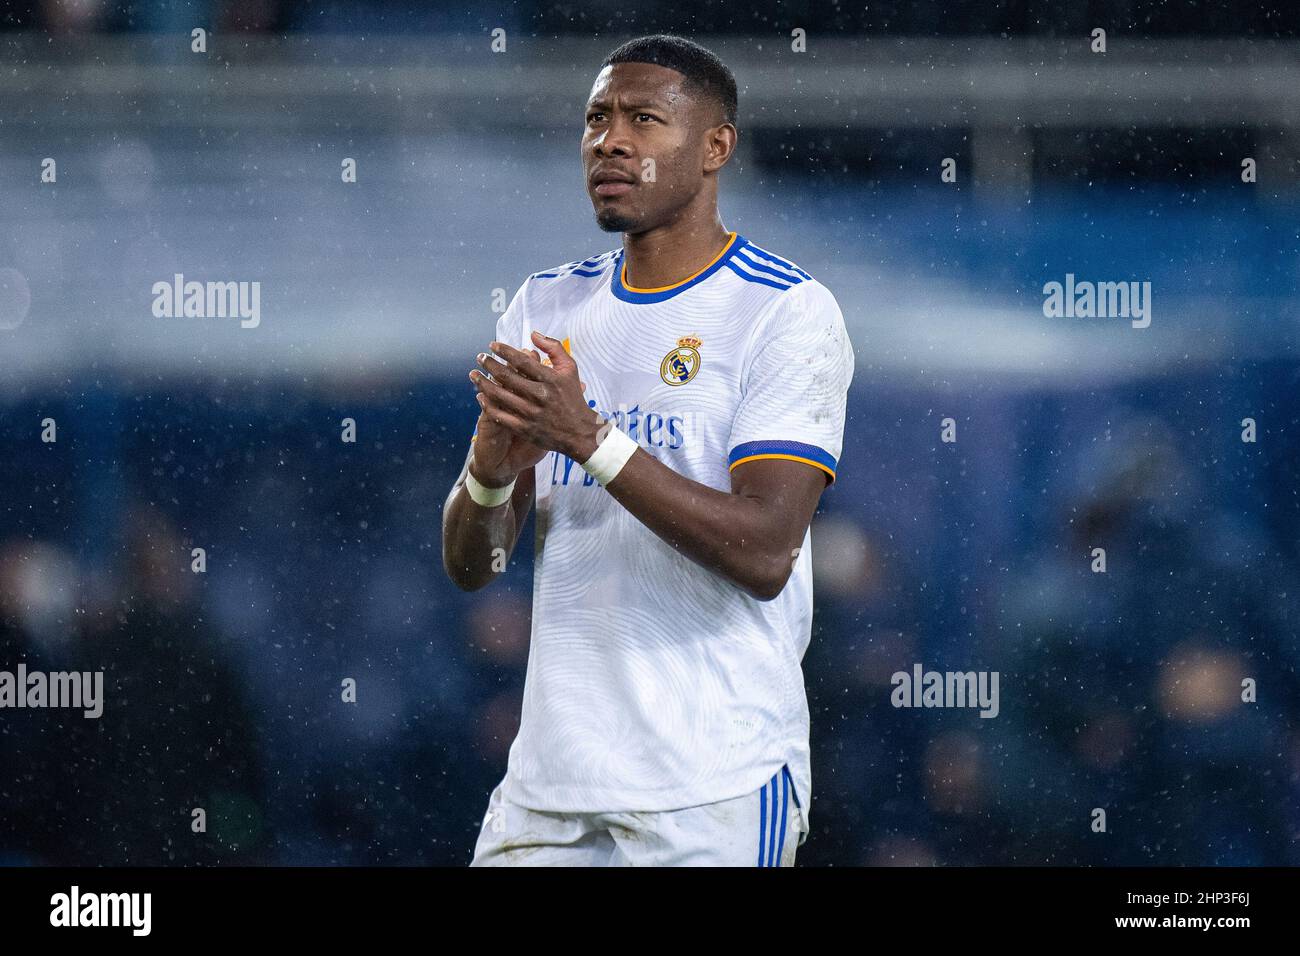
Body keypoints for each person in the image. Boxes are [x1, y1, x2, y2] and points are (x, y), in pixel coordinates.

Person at [442, 34, 854, 866]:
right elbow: (473, 566)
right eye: (596, 119)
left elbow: (768, 550)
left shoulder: (786, 313)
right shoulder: (546, 305)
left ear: (715, 147)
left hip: (713, 790)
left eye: (644, 119)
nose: (611, 141)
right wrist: (489, 474)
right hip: (548, 792)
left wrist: (589, 440)